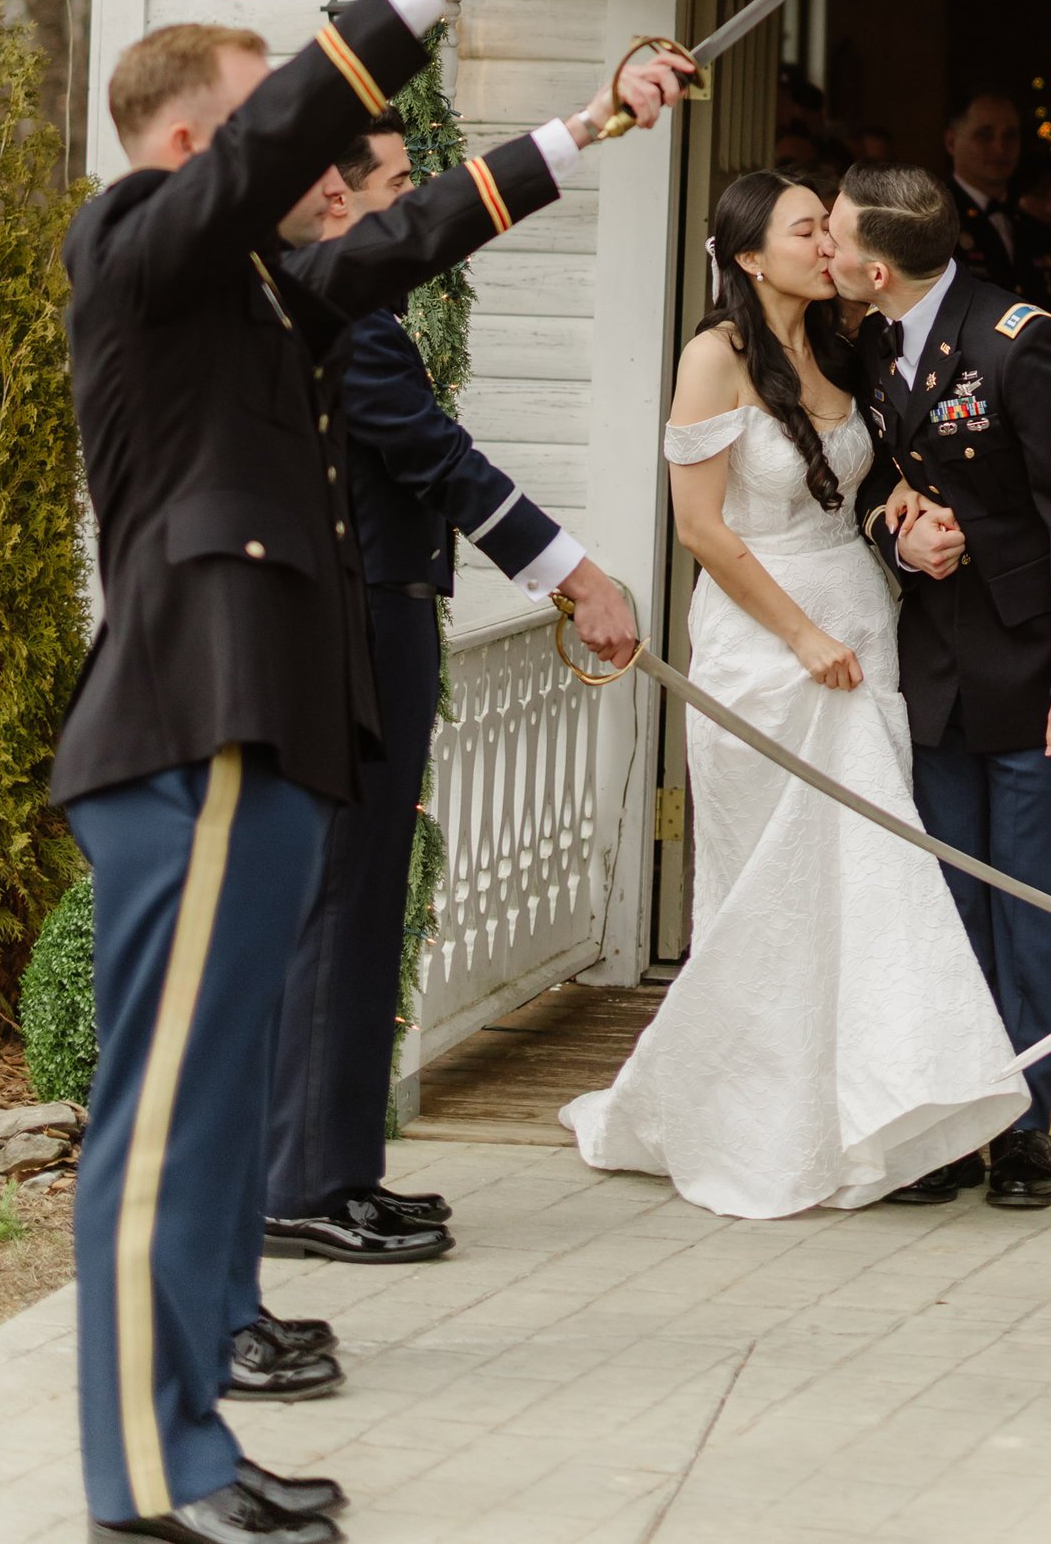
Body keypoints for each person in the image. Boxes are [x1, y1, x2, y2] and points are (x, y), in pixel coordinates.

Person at [56, 0, 614, 1544]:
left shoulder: (257, 294)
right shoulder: (139, 242)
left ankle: (191, 1443)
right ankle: (148, 1475)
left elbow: (410, 227)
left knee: (214, 1105)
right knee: (165, 1115)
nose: (310, 172)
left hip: (265, 723)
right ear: (190, 151)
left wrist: (580, 135)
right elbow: (280, 135)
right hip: (198, 717)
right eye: (267, 140)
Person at [259, 88, 674, 1281]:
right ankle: (299, 1183)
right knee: (342, 905)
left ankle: (341, 1170)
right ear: (329, 193)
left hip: (383, 621)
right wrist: (576, 574)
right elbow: (438, 461)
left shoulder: (353, 303)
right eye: (391, 186)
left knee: (367, 900)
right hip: (351, 628)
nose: (394, 204)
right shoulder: (346, 313)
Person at [561, 168, 1027, 1216]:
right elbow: (702, 530)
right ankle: (761, 1112)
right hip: (766, 645)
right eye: (808, 227)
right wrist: (802, 634)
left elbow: (876, 472)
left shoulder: (849, 343)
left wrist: (911, 509)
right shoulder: (711, 357)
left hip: (865, 625)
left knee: (872, 865)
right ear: (744, 253)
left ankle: (893, 1099)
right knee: (772, 884)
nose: (830, 242)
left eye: (829, 225)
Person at [836, 162, 1051, 1214]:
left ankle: (1022, 1127)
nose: (824, 248)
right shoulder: (872, 339)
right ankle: (955, 1119)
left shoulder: (1022, 341)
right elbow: (876, 473)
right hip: (936, 668)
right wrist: (903, 538)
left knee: (1025, 907)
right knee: (945, 901)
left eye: (833, 233)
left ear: (876, 262)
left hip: (1031, 667)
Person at [946, 84, 1044, 299]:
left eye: (1010, 136)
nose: (1000, 148)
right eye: (984, 136)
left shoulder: (1032, 226)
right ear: (951, 142)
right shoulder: (936, 220)